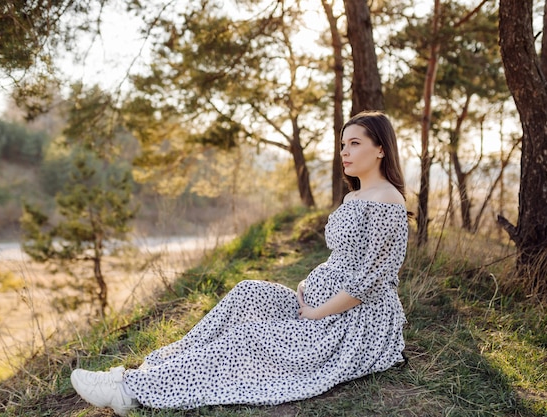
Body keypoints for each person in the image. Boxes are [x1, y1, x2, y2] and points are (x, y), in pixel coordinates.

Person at [70, 110, 409, 416]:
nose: (345, 152)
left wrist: (315, 312)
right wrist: (309, 287)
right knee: (248, 292)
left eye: (354, 143)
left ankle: (128, 391)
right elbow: (345, 257)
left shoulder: (387, 201)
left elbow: (373, 281)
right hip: (319, 306)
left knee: (248, 338)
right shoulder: (355, 195)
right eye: (342, 145)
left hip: (353, 324)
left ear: (380, 149)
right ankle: (163, 364)